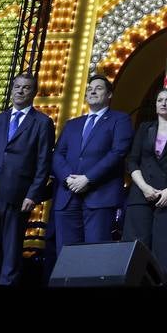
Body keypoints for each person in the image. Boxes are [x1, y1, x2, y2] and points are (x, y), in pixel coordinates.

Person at [0, 72, 55, 285]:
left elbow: (43, 163)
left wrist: (33, 194)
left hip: (18, 195)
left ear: (33, 92)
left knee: (11, 254)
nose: (20, 91)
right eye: (17, 86)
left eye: (25, 87)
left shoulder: (42, 122)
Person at [51, 75, 132, 255]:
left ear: (109, 94)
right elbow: (58, 154)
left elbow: (118, 152)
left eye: (98, 88)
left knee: (94, 257)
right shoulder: (72, 124)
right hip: (68, 196)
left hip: (100, 196)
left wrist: (88, 179)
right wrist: (68, 179)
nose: (92, 91)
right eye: (90, 88)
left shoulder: (120, 119)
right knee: (66, 256)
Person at [124, 88, 167, 267]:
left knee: (164, 252)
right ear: (155, 105)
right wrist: (144, 187)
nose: (163, 103)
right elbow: (132, 161)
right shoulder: (145, 127)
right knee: (136, 250)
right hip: (141, 194)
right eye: (160, 100)